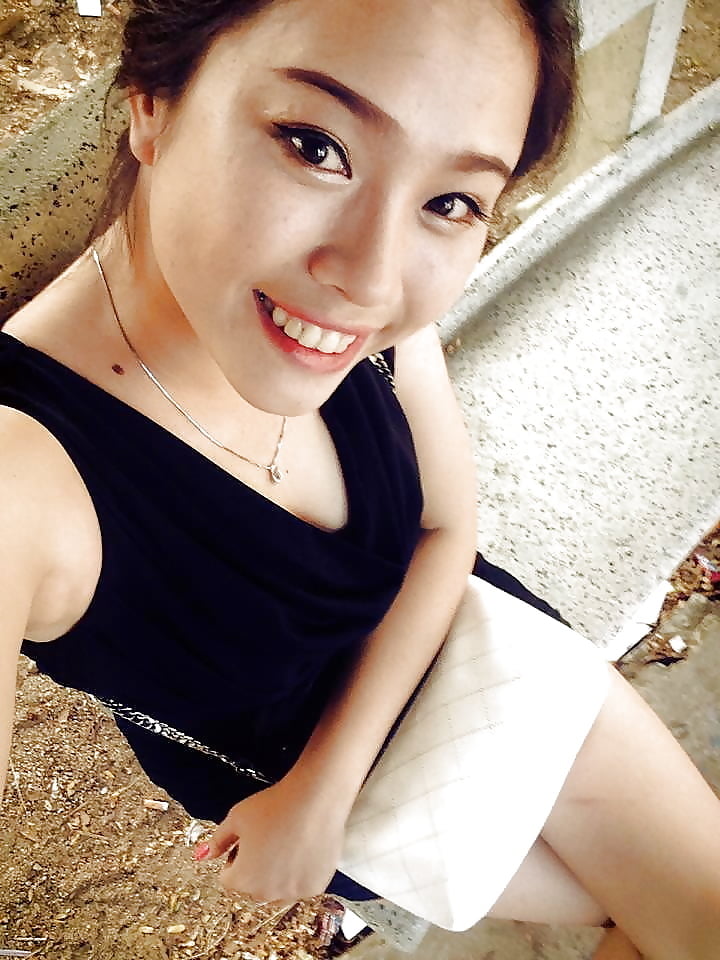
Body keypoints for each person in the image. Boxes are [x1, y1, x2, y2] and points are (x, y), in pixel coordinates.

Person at [0, 1, 718, 957]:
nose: (375, 279)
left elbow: (445, 531)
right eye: (315, 146)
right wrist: (318, 806)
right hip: (363, 818)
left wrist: (322, 791)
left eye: (451, 201)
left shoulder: (346, 314)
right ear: (152, 102)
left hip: (483, 671)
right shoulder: (23, 475)